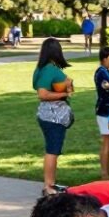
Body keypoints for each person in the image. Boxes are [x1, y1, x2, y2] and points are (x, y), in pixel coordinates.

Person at [33, 38, 73, 196]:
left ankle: (51, 183)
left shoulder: (41, 68)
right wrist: (66, 92)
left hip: (47, 114)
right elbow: (42, 94)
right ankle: (49, 186)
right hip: (53, 116)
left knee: (53, 149)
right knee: (52, 150)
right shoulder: (49, 69)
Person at [94, 48, 109, 180]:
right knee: (107, 142)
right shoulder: (101, 73)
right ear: (104, 59)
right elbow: (108, 87)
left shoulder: (107, 72)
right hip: (105, 111)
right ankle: (105, 173)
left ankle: (108, 171)